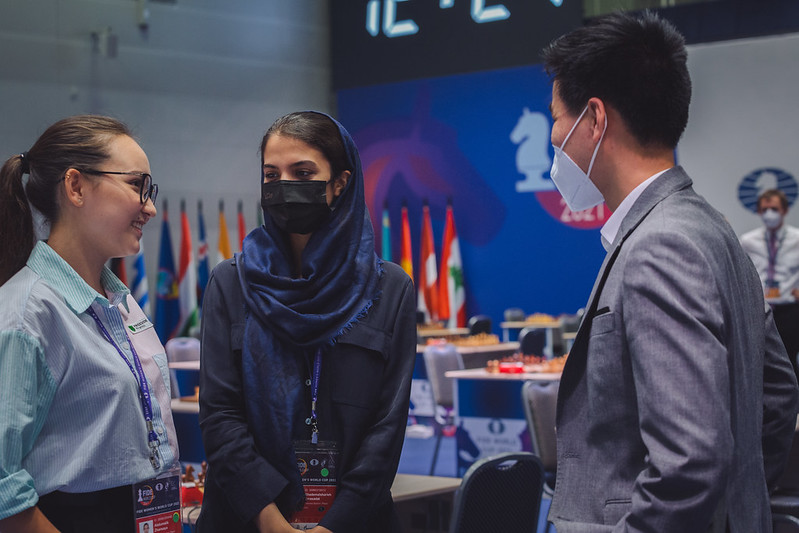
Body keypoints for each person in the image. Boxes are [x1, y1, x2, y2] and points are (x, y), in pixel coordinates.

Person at [541, 12, 799, 532]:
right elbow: (777, 395)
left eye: (557, 117)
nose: (554, 135)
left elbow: (691, 461)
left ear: (594, 119)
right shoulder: (713, 227)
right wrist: (737, 504)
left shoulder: (659, 246)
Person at [197, 111, 416, 533]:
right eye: (271, 174)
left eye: (302, 172)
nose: (284, 187)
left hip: (354, 521)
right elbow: (220, 416)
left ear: (340, 183)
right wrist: (269, 520)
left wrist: (334, 526)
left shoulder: (390, 288)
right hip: (246, 519)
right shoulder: (231, 282)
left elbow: (387, 428)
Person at [0, 115, 178, 533]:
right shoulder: (26, 316)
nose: (150, 207)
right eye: (137, 185)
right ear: (76, 187)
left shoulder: (123, 303)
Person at [741, 189, 799, 380]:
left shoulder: (796, 239)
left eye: (774, 208)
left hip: (789, 309)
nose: (769, 214)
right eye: (764, 209)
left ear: (784, 210)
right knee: (762, 359)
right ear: (758, 211)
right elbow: (742, 271)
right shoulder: (748, 241)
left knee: (790, 359)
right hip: (760, 309)